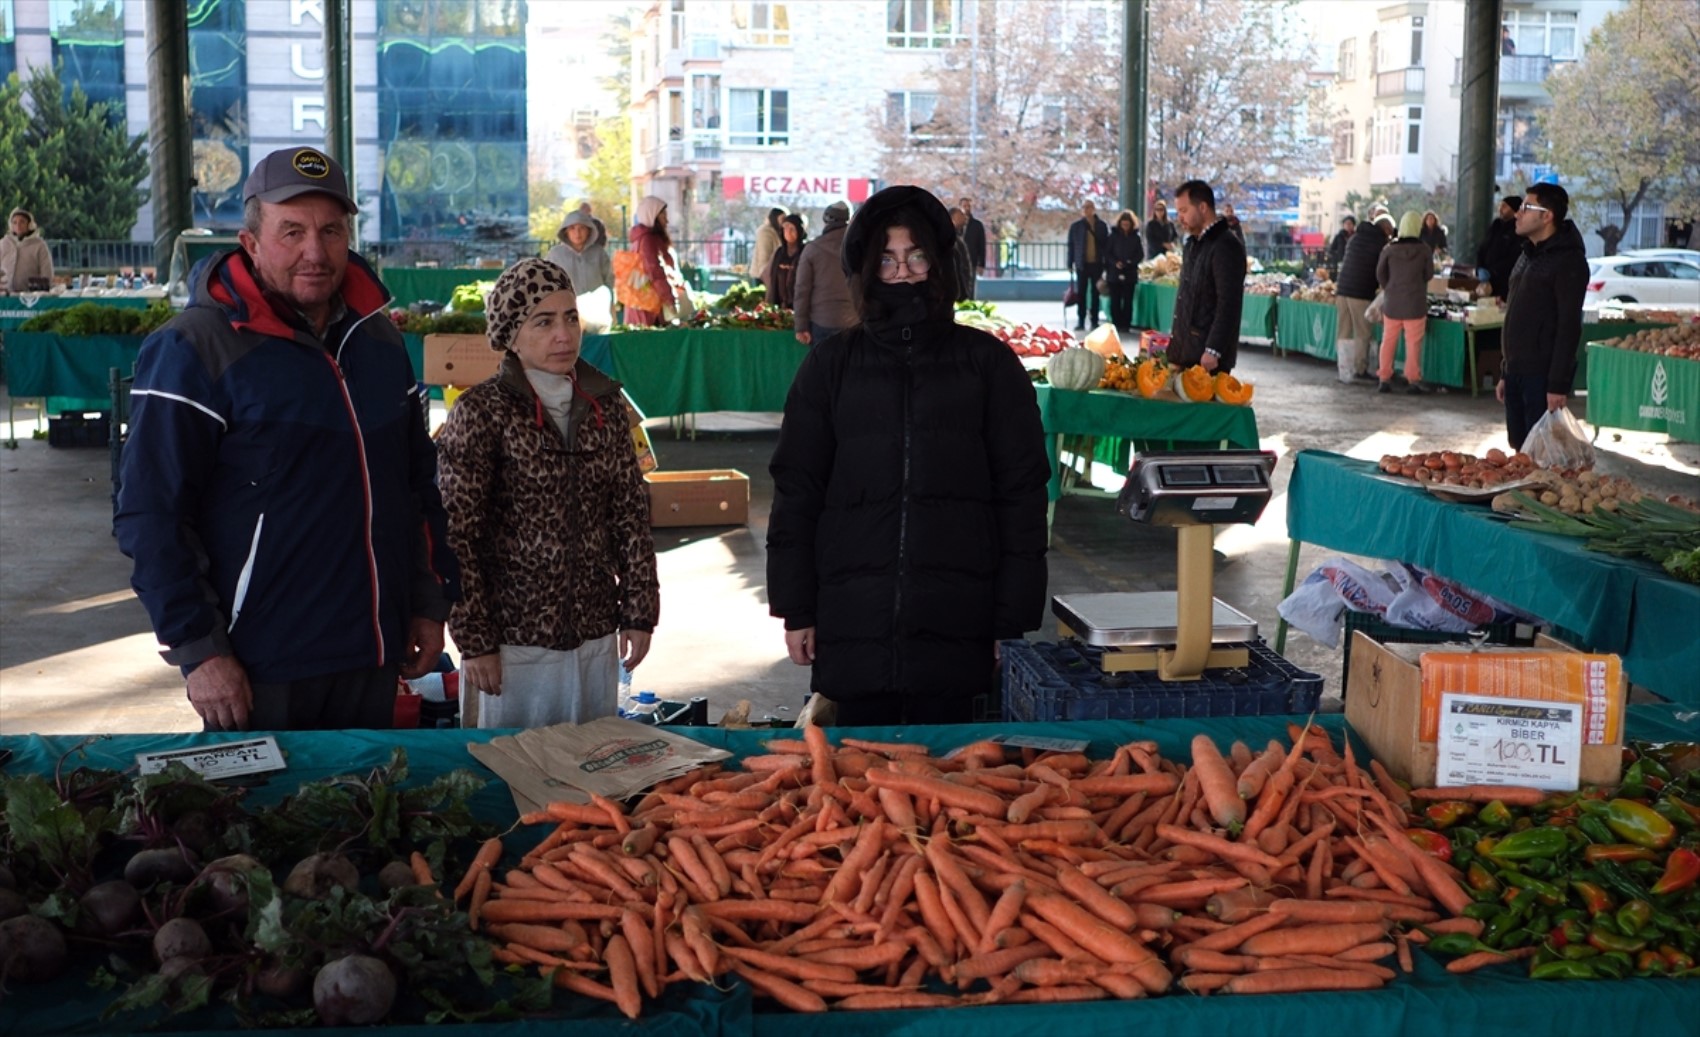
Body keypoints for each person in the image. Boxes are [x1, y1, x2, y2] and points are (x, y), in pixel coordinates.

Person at [113, 146, 459, 731]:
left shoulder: (379, 345)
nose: (314, 252)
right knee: (267, 818)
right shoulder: (194, 349)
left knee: (366, 815)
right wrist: (199, 651)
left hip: (373, 653)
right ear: (250, 243)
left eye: (330, 231)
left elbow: (416, 489)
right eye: (291, 231)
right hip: (259, 666)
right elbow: (150, 514)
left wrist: (428, 604)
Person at [766, 185, 1049, 727]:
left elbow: (1022, 495)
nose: (902, 272)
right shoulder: (831, 367)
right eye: (889, 259)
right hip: (852, 621)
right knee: (857, 791)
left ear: (939, 263)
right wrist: (797, 607)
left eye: (917, 256)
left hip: (958, 621)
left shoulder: (987, 365)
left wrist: (1009, 620)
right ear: (868, 268)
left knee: (948, 790)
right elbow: (797, 489)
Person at [435, 259, 660, 728]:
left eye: (570, 317)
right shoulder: (481, 412)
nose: (564, 334)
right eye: (544, 321)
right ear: (512, 335)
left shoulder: (607, 405)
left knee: (585, 781)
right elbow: (457, 536)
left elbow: (630, 515)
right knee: (509, 779)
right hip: (512, 646)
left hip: (595, 634)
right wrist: (474, 641)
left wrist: (639, 611)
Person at [1498, 182, 1589, 451]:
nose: (1518, 213)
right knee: (1519, 447)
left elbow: (1569, 325)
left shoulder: (1569, 261)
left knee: (1541, 452)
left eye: (1526, 207)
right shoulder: (1527, 254)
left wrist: (1558, 384)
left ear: (1547, 216)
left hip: (1541, 375)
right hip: (1515, 371)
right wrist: (1506, 371)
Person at [1167, 179, 1246, 373]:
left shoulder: (1226, 245)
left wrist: (1214, 349)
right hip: (1185, 353)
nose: (1180, 218)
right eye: (1178, 212)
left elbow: (1229, 303)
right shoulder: (1192, 245)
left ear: (1202, 207)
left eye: (1184, 211)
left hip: (1208, 360)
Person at [1375, 211, 1436, 394]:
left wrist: (1390, 287)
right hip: (1415, 304)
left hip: (1392, 303)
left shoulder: (1389, 249)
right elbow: (1429, 274)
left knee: (1388, 341)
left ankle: (1384, 378)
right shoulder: (1424, 250)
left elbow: (1380, 273)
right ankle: (1413, 380)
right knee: (1413, 343)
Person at [1334, 212, 1393, 383]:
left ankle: (1343, 369)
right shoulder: (1380, 243)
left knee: (1344, 331)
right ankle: (1360, 369)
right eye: (1390, 230)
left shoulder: (1355, 238)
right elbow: (1381, 270)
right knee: (1362, 332)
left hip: (1342, 290)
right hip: (1360, 292)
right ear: (1386, 228)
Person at [792, 200, 857, 345]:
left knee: (824, 367)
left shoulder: (813, 249)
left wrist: (801, 326)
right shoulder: (862, 249)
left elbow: (802, 290)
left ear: (826, 219)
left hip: (821, 322)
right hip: (854, 323)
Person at [624, 196, 684, 326]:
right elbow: (656, 273)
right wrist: (670, 299)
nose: (666, 221)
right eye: (663, 216)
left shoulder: (643, 239)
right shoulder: (648, 241)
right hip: (648, 306)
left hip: (642, 303)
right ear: (652, 216)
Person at [545, 210, 613, 296]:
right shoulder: (555, 255)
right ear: (566, 231)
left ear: (589, 230)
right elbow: (545, 281)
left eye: (582, 228)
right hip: (566, 305)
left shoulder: (599, 253)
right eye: (572, 228)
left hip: (596, 305)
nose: (577, 233)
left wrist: (610, 302)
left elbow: (609, 281)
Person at [1066, 200, 1110, 330]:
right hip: (1082, 264)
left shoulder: (1102, 226)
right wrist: (1070, 263)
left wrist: (1106, 263)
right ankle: (1080, 320)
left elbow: (1106, 245)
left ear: (1094, 209)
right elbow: (1071, 246)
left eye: (1089, 207)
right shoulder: (1076, 226)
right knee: (1081, 293)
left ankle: (1094, 320)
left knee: (1095, 293)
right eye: (1084, 207)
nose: (1087, 210)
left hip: (1097, 264)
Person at [1104, 209, 1145, 334]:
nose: (1125, 227)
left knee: (1128, 301)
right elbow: (1107, 253)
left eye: (1128, 224)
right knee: (1115, 300)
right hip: (1114, 273)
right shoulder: (1113, 236)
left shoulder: (1136, 238)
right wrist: (1115, 262)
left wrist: (1130, 262)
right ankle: (1116, 323)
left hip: (1130, 273)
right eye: (1123, 224)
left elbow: (1140, 254)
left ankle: (1126, 324)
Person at [1476, 195, 1523, 300]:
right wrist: (1479, 267)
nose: (1500, 209)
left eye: (1504, 206)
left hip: (1505, 281)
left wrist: (1493, 271)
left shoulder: (1518, 229)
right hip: (1487, 280)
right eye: (1500, 206)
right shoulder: (1496, 225)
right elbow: (1482, 248)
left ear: (1514, 209)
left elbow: (1514, 256)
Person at [1, 207, 53, 292]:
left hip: (30, 296)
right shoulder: (3, 243)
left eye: (22, 222)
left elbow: (46, 273)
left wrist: (44, 291)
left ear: (29, 225)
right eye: (14, 222)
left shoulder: (39, 245)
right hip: (5, 296)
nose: (18, 225)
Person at [765, 213, 808, 309]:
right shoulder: (779, 253)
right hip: (780, 306)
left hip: (800, 306)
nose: (788, 232)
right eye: (785, 228)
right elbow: (772, 279)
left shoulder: (807, 252)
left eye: (792, 229)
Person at [751, 207, 787, 286]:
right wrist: (766, 277)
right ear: (775, 218)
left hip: (772, 274)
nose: (784, 222)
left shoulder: (779, 232)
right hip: (762, 276)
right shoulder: (766, 233)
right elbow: (763, 256)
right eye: (782, 219)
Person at [949, 205, 976, 301]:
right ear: (953, 217)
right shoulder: (950, 238)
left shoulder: (959, 236)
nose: (965, 217)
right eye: (961, 214)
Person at [959, 196, 987, 275]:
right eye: (964, 206)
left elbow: (981, 245)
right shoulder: (955, 225)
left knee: (970, 285)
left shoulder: (977, 225)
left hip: (972, 262)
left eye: (969, 206)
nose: (967, 208)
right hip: (958, 262)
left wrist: (981, 264)